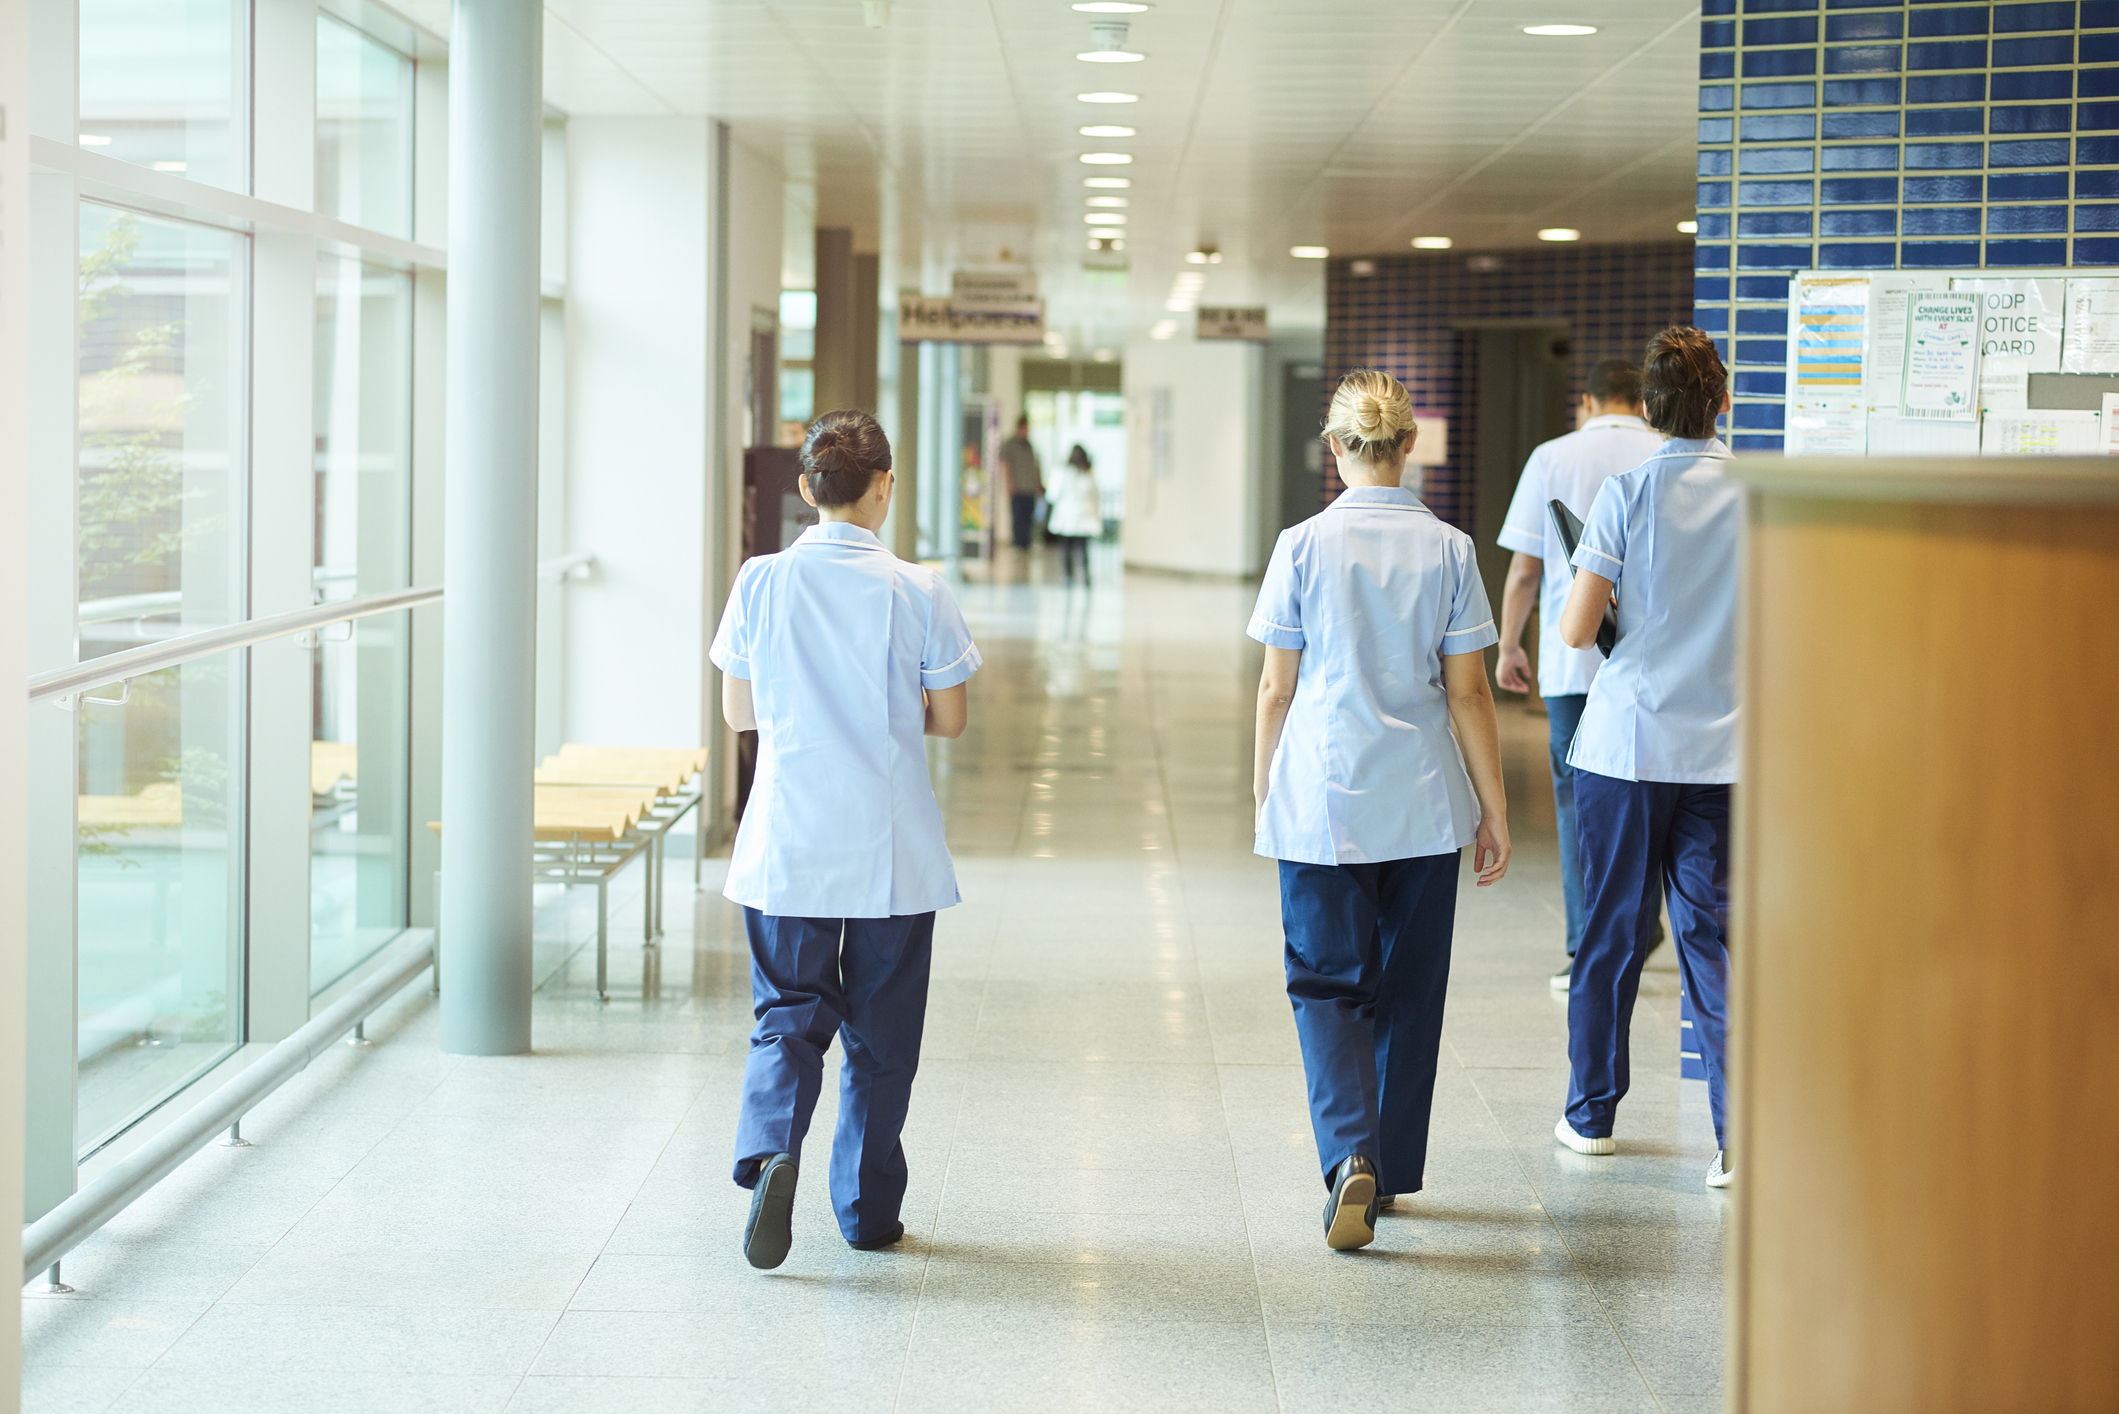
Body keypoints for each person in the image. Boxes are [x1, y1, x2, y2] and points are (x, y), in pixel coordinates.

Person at [709, 409, 983, 1269]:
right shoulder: (919, 588)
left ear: (804, 490)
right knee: (880, 1035)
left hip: (788, 838)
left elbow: (737, 713)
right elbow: (950, 720)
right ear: (884, 489)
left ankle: (772, 1156)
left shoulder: (760, 580)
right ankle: (865, 1210)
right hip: (889, 850)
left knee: (785, 1017)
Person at [1250, 370, 1512, 1252]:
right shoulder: (1450, 549)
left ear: (1335, 450)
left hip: (1323, 796)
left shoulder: (1299, 546)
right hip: (1425, 802)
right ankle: (1388, 1171)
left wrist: (1266, 791)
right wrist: (1493, 808)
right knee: (1408, 990)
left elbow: (1274, 689)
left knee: (1326, 985)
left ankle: (1347, 1155)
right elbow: (1470, 692)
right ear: (1409, 448)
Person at [1551, 327, 1738, 1191]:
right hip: (1724, 751)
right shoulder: (1759, 495)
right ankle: (1737, 1140)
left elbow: (1577, 630)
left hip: (1625, 751)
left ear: (1652, 411)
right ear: (1722, 402)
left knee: (1610, 934)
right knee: (1714, 940)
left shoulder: (1627, 492)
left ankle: (1591, 1116)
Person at [1494, 360, 1664, 991]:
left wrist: (1510, 645)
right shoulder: (1666, 451)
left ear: (1587, 400)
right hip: (1650, 660)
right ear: (1641, 402)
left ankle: (1583, 943)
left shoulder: (1552, 456)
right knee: (1649, 790)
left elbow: (1524, 571)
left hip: (1572, 661)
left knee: (1576, 800)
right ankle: (1643, 923)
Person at [1045, 444, 1101, 585]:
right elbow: (1095, 495)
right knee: (1082, 548)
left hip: (1066, 516)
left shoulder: (1062, 472)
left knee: (1066, 548)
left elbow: (1052, 495)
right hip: (1083, 516)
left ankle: (1068, 576)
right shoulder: (1088, 474)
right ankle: (1085, 575)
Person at [998, 414, 1044, 550]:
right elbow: (1006, 466)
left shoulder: (1029, 445)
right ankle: (1018, 545)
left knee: (1028, 520)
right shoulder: (1010, 444)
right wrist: (1009, 485)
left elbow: (1035, 466)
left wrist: (1038, 485)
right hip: (1017, 489)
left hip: (1029, 489)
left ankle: (1026, 545)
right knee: (1018, 520)